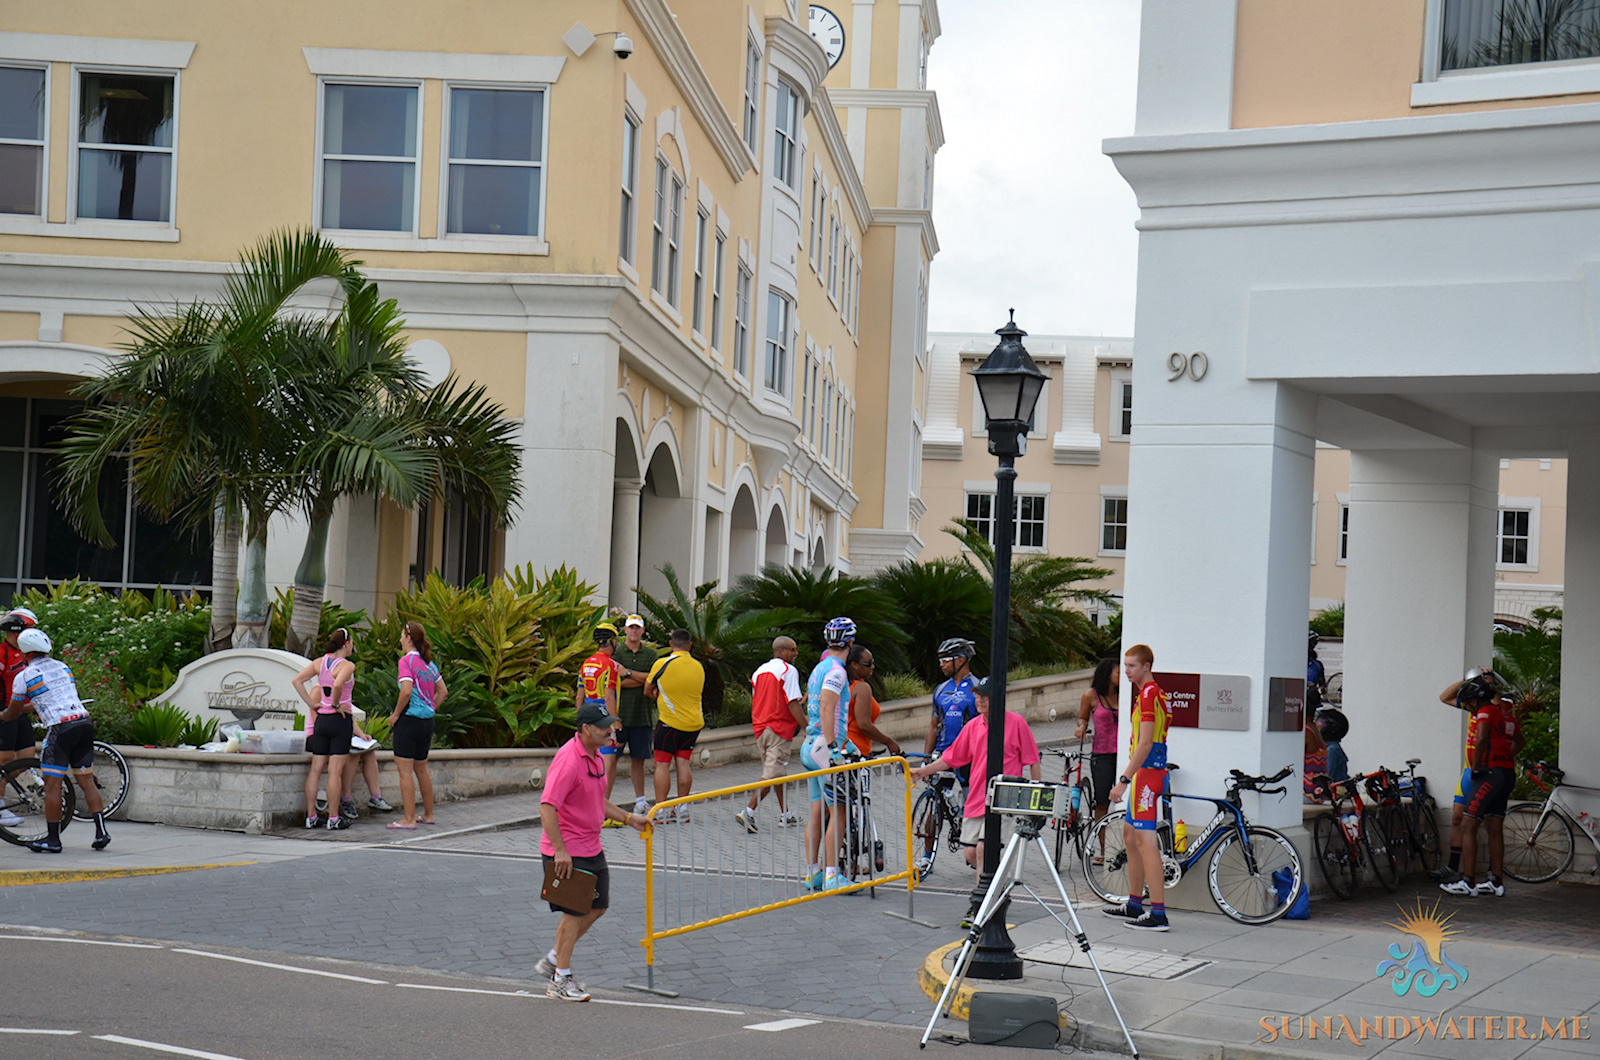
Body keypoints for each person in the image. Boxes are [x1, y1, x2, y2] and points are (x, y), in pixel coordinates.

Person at [535, 701, 649, 1001]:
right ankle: (561, 978)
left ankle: (554, 959)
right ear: (586, 729)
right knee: (574, 913)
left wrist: (628, 817)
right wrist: (560, 851)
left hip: (590, 845)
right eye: (604, 727)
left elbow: (598, 802)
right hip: (568, 851)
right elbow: (547, 807)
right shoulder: (569, 760)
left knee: (598, 907)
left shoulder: (596, 757)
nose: (610, 731)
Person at [909, 677, 1040, 916]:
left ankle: (981, 905)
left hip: (1005, 799)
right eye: (977, 695)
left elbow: (1033, 760)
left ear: (998, 698)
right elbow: (951, 757)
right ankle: (995, 888)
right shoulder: (973, 726)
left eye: (985, 696)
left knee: (983, 850)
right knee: (971, 853)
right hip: (977, 798)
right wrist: (923, 770)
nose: (979, 700)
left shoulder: (1016, 723)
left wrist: (1034, 798)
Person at [0, 628, 109, 852]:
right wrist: (28, 709)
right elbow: (52, 698)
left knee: (52, 785)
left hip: (61, 729)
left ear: (23, 652)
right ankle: (101, 832)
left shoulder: (25, 675)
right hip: (83, 723)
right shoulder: (63, 667)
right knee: (86, 781)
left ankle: (53, 841)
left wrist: (3, 715)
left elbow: (13, 711)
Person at [1104, 644, 1171, 931]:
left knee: (1146, 842)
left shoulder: (1148, 695)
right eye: (1125, 665)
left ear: (1146, 666)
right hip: (1148, 773)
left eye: (1132, 666)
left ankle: (1158, 913)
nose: (1126, 671)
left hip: (1147, 774)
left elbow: (1145, 743)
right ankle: (1134, 903)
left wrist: (1123, 780)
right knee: (1130, 835)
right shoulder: (1152, 694)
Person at [1439, 669, 1522, 896]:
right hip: (1505, 774)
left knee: (1468, 826)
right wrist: (1505, 758)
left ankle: (1468, 881)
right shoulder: (1505, 713)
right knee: (1495, 827)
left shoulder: (1485, 711)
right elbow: (1520, 741)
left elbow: (1482, 739)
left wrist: (1477, 768)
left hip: (1487, 774)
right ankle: (1496, 881)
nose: (1470, 708)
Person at [1430, 669, 1504, 883]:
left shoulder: (1493, 709)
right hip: (1469, 771)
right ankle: (1453, 867)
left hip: (1487, 771)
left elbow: (1498, 705)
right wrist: (1469, 680)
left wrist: (1491, 684)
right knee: (1457, 818)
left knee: (1490, 824)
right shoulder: (1473, 707)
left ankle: (1490, 873)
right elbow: (1445, 697)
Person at [800, 616, 855, 892]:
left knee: (816, 811)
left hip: (810, 745)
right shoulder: (837, 671)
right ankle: (833, 875)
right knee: (839, 812)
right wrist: (836, 749)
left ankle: (813, 873)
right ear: (851, 642)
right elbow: (826, 707)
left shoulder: (819, 667)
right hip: (825, 748)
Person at [736, 636, 804, 833]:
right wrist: (807, 727)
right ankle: (748, 811)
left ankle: (786, 815)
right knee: (772, 773)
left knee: (776, 771)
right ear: (782, 651)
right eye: (793, 649)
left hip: (761, 728)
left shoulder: (759, 671)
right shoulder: (788, 671)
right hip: (779, 728)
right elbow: (792, 702)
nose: (796, 653)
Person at [292, 628, 357, 830]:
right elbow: (338, 685)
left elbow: (297, 681)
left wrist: (312, 704)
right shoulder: (346, 665)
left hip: (321, 721)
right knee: (335, 772)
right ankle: (333, 817)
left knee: (316, 769)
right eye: (352, 642)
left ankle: (311, 816)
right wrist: (337, 705)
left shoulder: (320, 662)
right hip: (339, 720)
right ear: (345, 644)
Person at [388, 620, 446, 830]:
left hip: (409, 720)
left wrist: (395, 715)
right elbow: (443, 691)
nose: (401, 639)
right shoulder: (429, 664)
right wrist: (431, 707)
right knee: (422, 769)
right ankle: (428, 815)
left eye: (403, 635)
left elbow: (406, 691)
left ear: (409, 638)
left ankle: (409, 819)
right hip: (426, 722)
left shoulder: (407, 661)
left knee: (405, 771)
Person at [646, 629, 705, 819]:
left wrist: (657, 694)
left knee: (662, 765)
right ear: (690, 645)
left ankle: (661, 809)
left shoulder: (662, 663)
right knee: (683, 763)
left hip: (669, 723)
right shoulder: (698, 666)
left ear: (671, 644)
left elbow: (647, 689)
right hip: (693, 724)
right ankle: (682, 808)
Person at [612, 615, 658, 817]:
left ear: (642, 630)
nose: (634, 631)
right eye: (631, 628)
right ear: (625, 630)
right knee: (611, 759)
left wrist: (628, 673)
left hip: (642, 717)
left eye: (637, 628)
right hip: (619, 716)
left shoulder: (650, 654)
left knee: (639, 760)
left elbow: (653, 679)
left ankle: (640, 801)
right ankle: (604, 801)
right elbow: (616, 682)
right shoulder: (617, 652)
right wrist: (642, 678)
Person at [1074, 657, 1119, 862]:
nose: (1122, 676)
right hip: (1101, 754)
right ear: (1107, 675)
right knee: (1102, 802)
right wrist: (1082, 726)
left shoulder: (1128, 694)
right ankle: (1103, 850)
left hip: (1125, 755)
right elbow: (1083, 717)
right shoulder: (1091, 695)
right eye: (1118, 673)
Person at [0, 608, 40, 828]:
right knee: (4, 761)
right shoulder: (2, 653)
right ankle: (0, 806)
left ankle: (3, 786)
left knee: (27, 758)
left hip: (21, 711)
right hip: (4, 713)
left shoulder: (26, 654)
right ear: (16, 632)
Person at [578, 622, 624, 811]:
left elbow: (579, 696)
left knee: (590, 763)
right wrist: (618, 725)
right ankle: (602, 811)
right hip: (604, 717)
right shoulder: (611, 665)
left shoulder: (586, 663)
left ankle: (589, 806)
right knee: (608, 764)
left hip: (587, 717)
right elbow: (609, 697)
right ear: (612, 641)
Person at [926, 637, 979, 790]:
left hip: (969, 754)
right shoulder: (940, 690)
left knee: (969, 802)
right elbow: (933, 726)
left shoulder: (977, 688)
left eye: (946, 660)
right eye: (940, 660)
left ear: (961, 659)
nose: (941, 664)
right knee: (936, 798)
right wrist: (927, 758)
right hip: (944, 752)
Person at [845, 644, 900, 757]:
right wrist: (889, 742)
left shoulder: (841, 686)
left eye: (872, 662)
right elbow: (864, 725)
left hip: (838, 749)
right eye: (868, 664)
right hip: (856, 751)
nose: (872, 667)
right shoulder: (861, 688)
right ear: (854, 665)